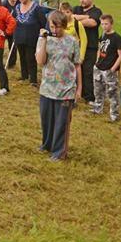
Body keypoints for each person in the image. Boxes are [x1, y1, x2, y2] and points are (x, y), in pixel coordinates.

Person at [36, 10, 82, 161]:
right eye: (52, 27)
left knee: (61, 122)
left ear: (64, 25)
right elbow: (40, 61)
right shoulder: (45, 39)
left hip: (66, 90)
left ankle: (59, 152)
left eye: (58, 27)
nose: (55, 30)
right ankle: (46, 145)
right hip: (47, 88)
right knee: (46, 119)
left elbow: (77, 65)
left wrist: (79, 88)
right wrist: (43, 40)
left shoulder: (73, 41)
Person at [13, 0, 49, 86]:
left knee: (30, 58)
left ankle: (33, 79)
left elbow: (43, 22)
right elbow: (13, 20)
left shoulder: (36, 8)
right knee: (22, 56)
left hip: (31, 37)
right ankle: (24, 75)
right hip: (19, 36)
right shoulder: (17, 7)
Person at [72, 0, 103, 103]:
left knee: (88, 71)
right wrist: (85, 17)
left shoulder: (97, 11)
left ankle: (89, 96)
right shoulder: (76, 8)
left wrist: (76, 19)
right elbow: (70, 18)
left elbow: (93, 23)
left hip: (90, 46)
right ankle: (76, 92)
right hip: (75, 45)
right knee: (74, 69)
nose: (82, 0)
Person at [92, 14, 121, 121]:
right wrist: (96, 62)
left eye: (106, 24)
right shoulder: (103, 35)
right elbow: (100, 49)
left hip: (109, 69)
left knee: (112, 92)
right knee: (98, 90)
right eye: (102, 24)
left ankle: (114, 114)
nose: (104, 26)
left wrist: (113, 69)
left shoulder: (117, 38)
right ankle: (97, 108)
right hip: (99, 67)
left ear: (111, 24)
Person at [3, 0, 20, 68]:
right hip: (5, 27)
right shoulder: (4, 4)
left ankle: (11, 63)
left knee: (13, 46)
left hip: (15, 29)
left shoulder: (19, 3)